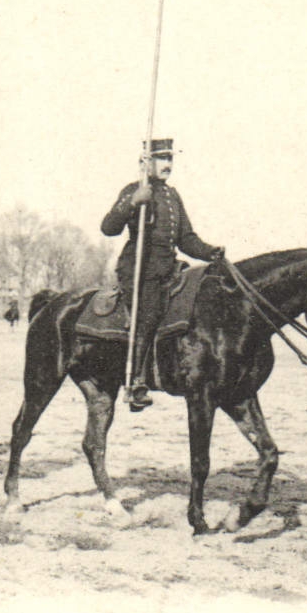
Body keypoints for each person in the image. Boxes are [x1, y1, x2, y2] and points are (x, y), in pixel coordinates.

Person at [99, 138, 223, 411]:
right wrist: (132, 203)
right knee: (150, 312)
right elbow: (108, 227)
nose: (168, 164)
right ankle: (136, 383)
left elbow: (186, 239)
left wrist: (211, 252)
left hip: (168, 267)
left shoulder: (172, 196)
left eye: (170, 159)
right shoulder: (135, 190)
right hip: (140, 270)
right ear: (146, 162)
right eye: (161, 159)